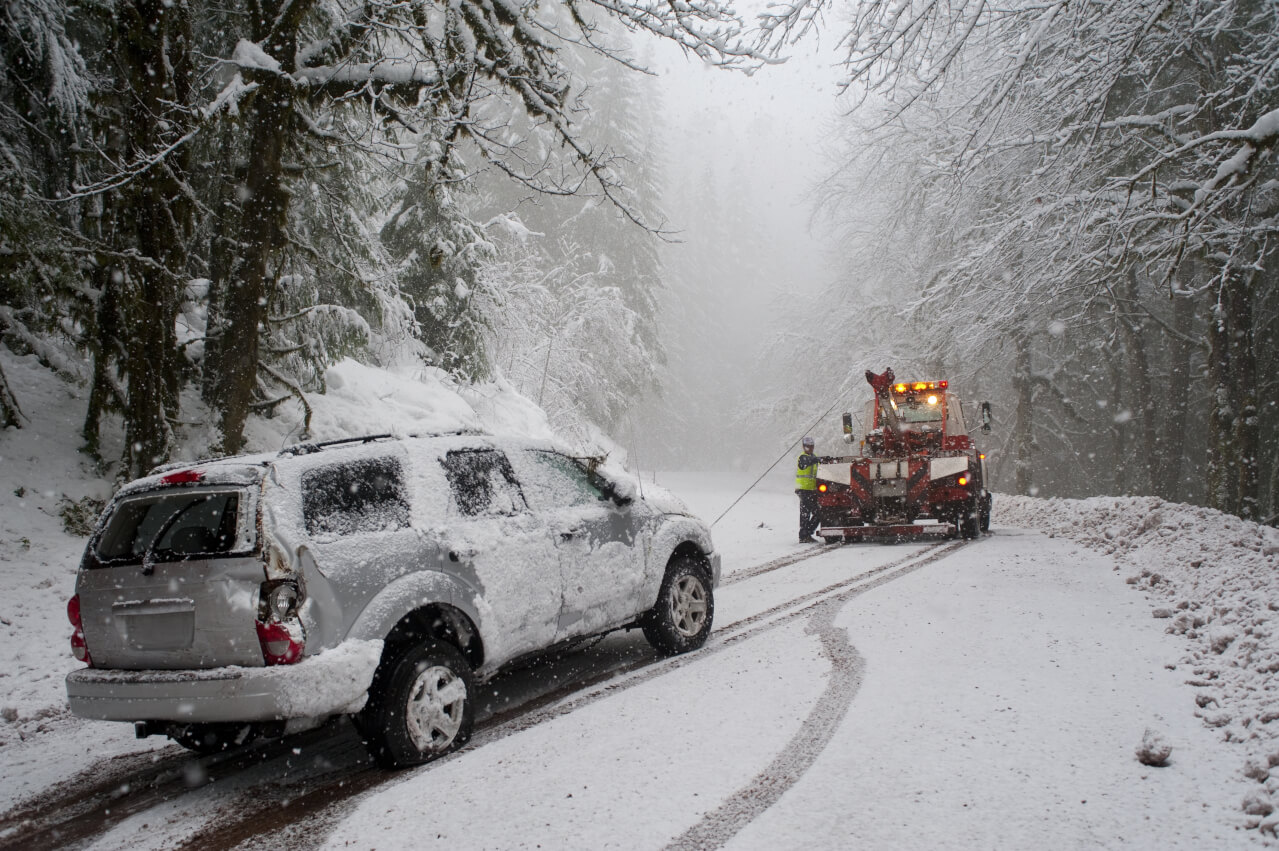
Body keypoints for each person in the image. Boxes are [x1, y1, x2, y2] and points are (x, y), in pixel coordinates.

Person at [795, 436, 834, 542]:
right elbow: (806, 462)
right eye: (808, 446)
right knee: (813, 512)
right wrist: (818, 459)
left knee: (810, 513)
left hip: (811, 490)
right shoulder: (802, 457)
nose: (810, 448)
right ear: (804, 447)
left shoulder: (814, 457)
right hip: (803, 489)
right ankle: (805, 534)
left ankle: (805, 534)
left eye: (811, 446)